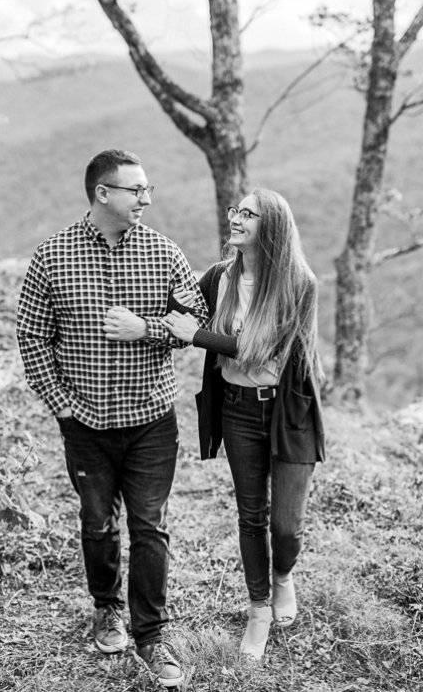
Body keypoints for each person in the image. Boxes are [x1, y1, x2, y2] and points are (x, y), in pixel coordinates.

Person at [17, 149, 206, 688]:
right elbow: (33, 335)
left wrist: (146, 329)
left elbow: (197, 320)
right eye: (136, 190)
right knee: (99, 523)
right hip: (85, 424)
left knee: (150, 528)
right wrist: (59, 403)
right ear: (104, 193)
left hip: (151, 420)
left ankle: (152, 636)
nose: (147, 198)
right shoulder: (51, 257)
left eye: (147, 190)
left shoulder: (164, 252)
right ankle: (106, 607)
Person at [163, 188, 325, 661]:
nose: (235, 217)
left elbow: (260, 348)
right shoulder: (219, 277)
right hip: (237, 408)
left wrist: (195, 335)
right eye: (236, 210)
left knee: (286, 526)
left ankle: (283, 578)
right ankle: (258, 610)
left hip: (288, 410)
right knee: (251, 516)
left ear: (270, 226)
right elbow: (181, 303)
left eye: (247, 214)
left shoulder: (298, 283)